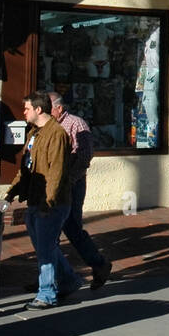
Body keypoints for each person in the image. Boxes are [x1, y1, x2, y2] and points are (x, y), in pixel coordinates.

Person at [5, 92, 79, 309]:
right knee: (45, 247)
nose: (23, 112)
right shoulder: (34, 134)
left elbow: (56, 172)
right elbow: (26, 168)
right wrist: (10, 194)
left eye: (26, 108)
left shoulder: (56, 134)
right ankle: (69, 280)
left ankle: (47, 293)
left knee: (46, 249)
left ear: (38, 110)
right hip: (35, 200)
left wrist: (49, 202)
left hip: (51, 202)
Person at [50, 92, 111, 290]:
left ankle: (99, 264)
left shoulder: (76, 124)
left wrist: (69, 180)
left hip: (71, 185)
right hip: (52, 184)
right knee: (50, 231)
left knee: (72, 227)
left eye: (48, 106)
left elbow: (85, 156)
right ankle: (49, 275)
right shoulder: (47, 125)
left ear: (59, 108)